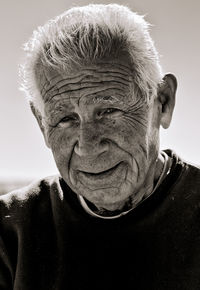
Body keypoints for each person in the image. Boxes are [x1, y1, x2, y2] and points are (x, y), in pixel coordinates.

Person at [0, 4, 199, 290]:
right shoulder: (10, 234)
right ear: (42, 124)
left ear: (162, 102)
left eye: (108, 111)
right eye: (65, 119)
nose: (88, 145)